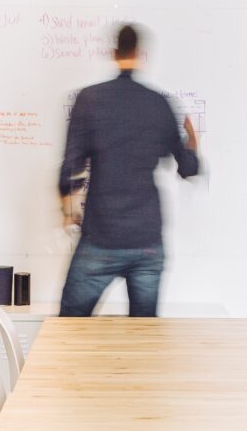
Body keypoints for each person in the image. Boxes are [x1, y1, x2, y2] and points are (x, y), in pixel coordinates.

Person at [57, 24, 199, 317]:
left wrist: (68, 213)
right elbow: (188, 168)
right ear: (140, 54)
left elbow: (69, 170)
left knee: (68, 325)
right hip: (147, 239)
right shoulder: (159, 104)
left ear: (114, 53)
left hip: (101, 235)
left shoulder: (89, 99)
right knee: (143, 333)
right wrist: (192, 145)